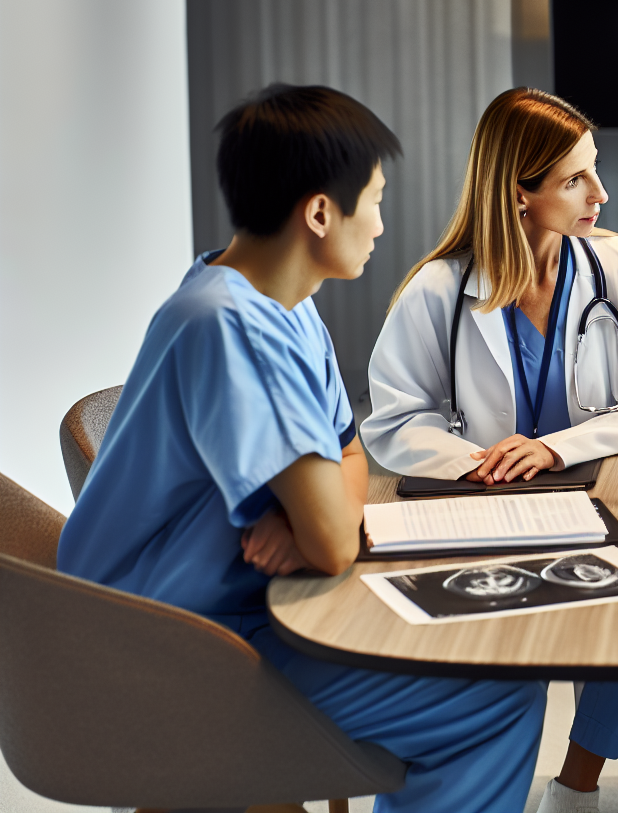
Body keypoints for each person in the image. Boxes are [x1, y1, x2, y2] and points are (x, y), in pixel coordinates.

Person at [57, 84, 549, 813]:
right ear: (321, 211)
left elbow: (350, 462)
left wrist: (312, 522)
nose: (383, 224)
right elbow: (330, 541)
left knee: (466, 646)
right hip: (174, 651)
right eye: (376, 200)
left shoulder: (276, 303)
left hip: (222, 612)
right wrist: (317, 526)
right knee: (498, 694)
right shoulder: (234, 328)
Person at [364, 87, 618, 813]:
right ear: (520, 193)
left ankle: (582, 785)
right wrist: (478, 462)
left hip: (605, 503)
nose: (600, 194)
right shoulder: (438, 290)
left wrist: (554, 448)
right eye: (576, 179)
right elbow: (393, 422)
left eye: (594, 170)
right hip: (491, 516)